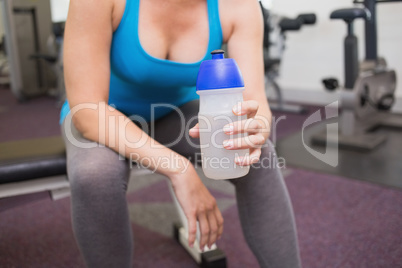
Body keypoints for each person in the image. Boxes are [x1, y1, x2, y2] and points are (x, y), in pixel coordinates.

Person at [60, 0, 301, 267]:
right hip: (99, 115)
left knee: (257, 154)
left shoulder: (238, 5)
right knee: (95, 175)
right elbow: (87, 110)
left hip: (173, 114)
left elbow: (255, 101)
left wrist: (256, 131)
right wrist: (178, 169)